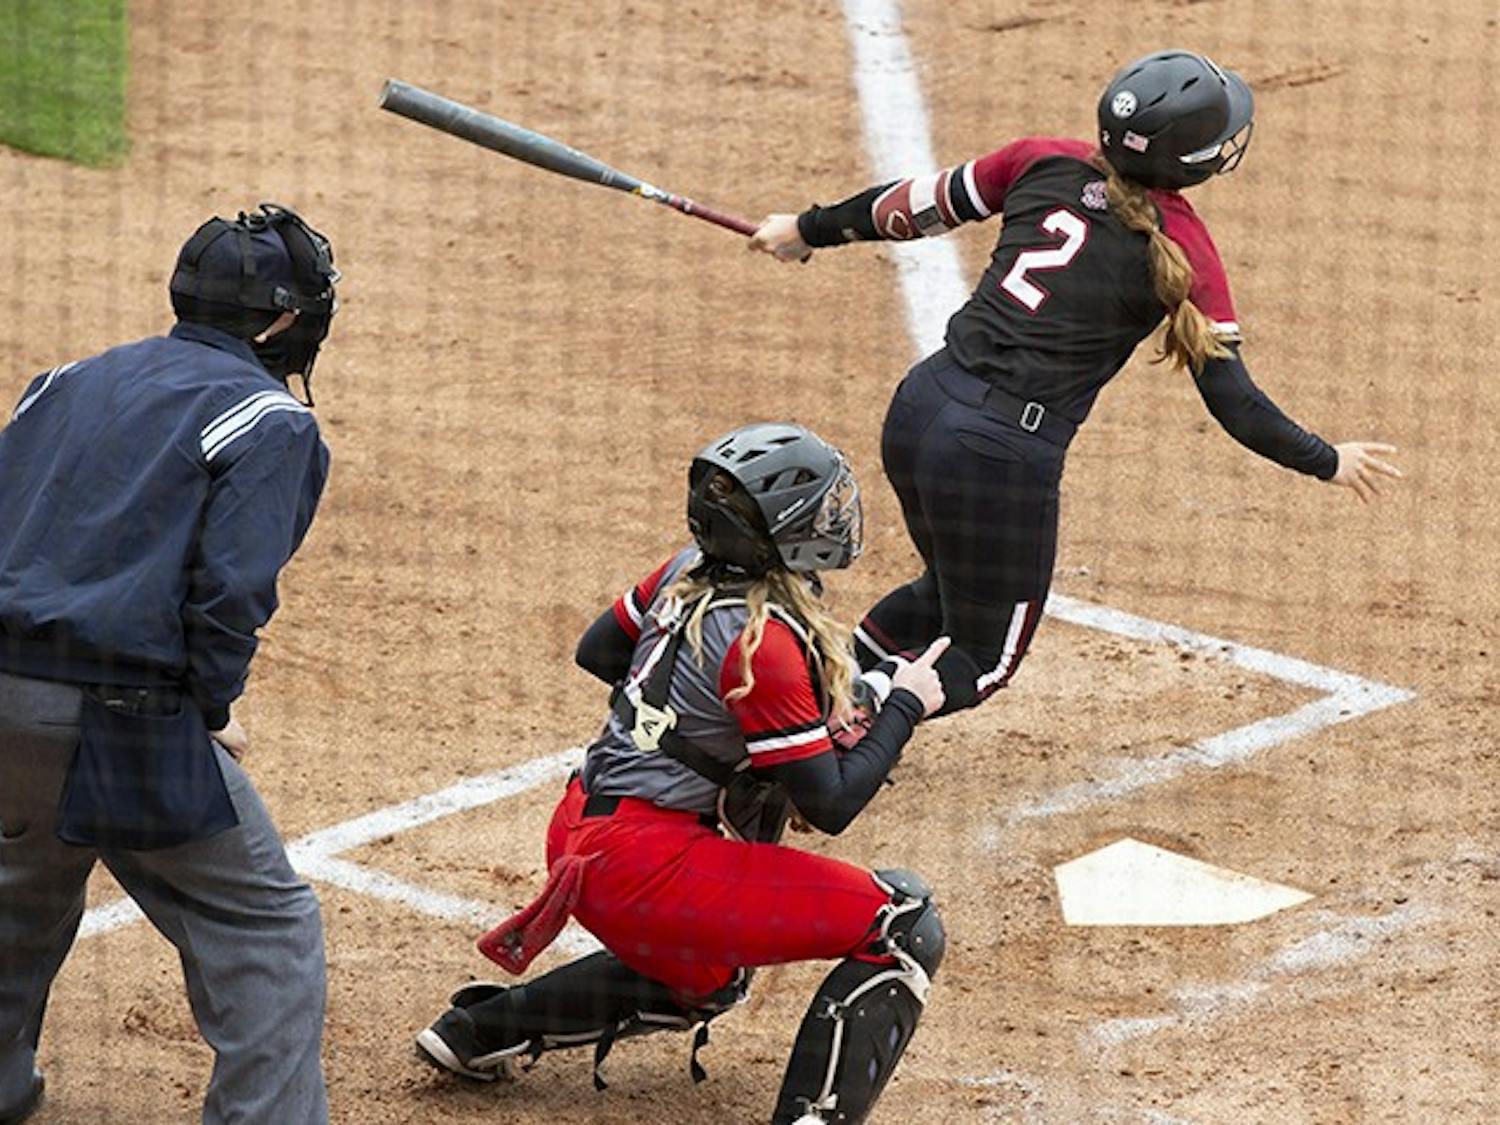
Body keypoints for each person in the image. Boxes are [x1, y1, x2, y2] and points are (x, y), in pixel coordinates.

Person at [748, 49, 1403, 717]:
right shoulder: (1183, 247)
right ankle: (835, 719)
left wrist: (807, 229)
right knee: (984, 659)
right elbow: (1234, 402)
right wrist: (1328, 460)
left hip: (920, 408)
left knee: (946, 590)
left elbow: (914, 207)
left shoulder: (1043, 159)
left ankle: (815, 690)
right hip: (996, 457)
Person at [415, 422, 948, 1124]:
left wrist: (696, 734)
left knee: (709, 976)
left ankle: (479, 1031)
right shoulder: (767, 644)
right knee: (901, 921)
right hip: (650, 872)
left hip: (581, 831)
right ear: (784, 528)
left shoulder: (683, 570)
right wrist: (907, 703)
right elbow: (832, 804)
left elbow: (600, 650)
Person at [0, 203, 339, 1124]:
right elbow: (230, 592)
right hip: (120, 718)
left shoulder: (61, 382)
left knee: (19, 893)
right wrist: (209, 710)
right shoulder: (270, 419)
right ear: (281, 322)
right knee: (264, 925)